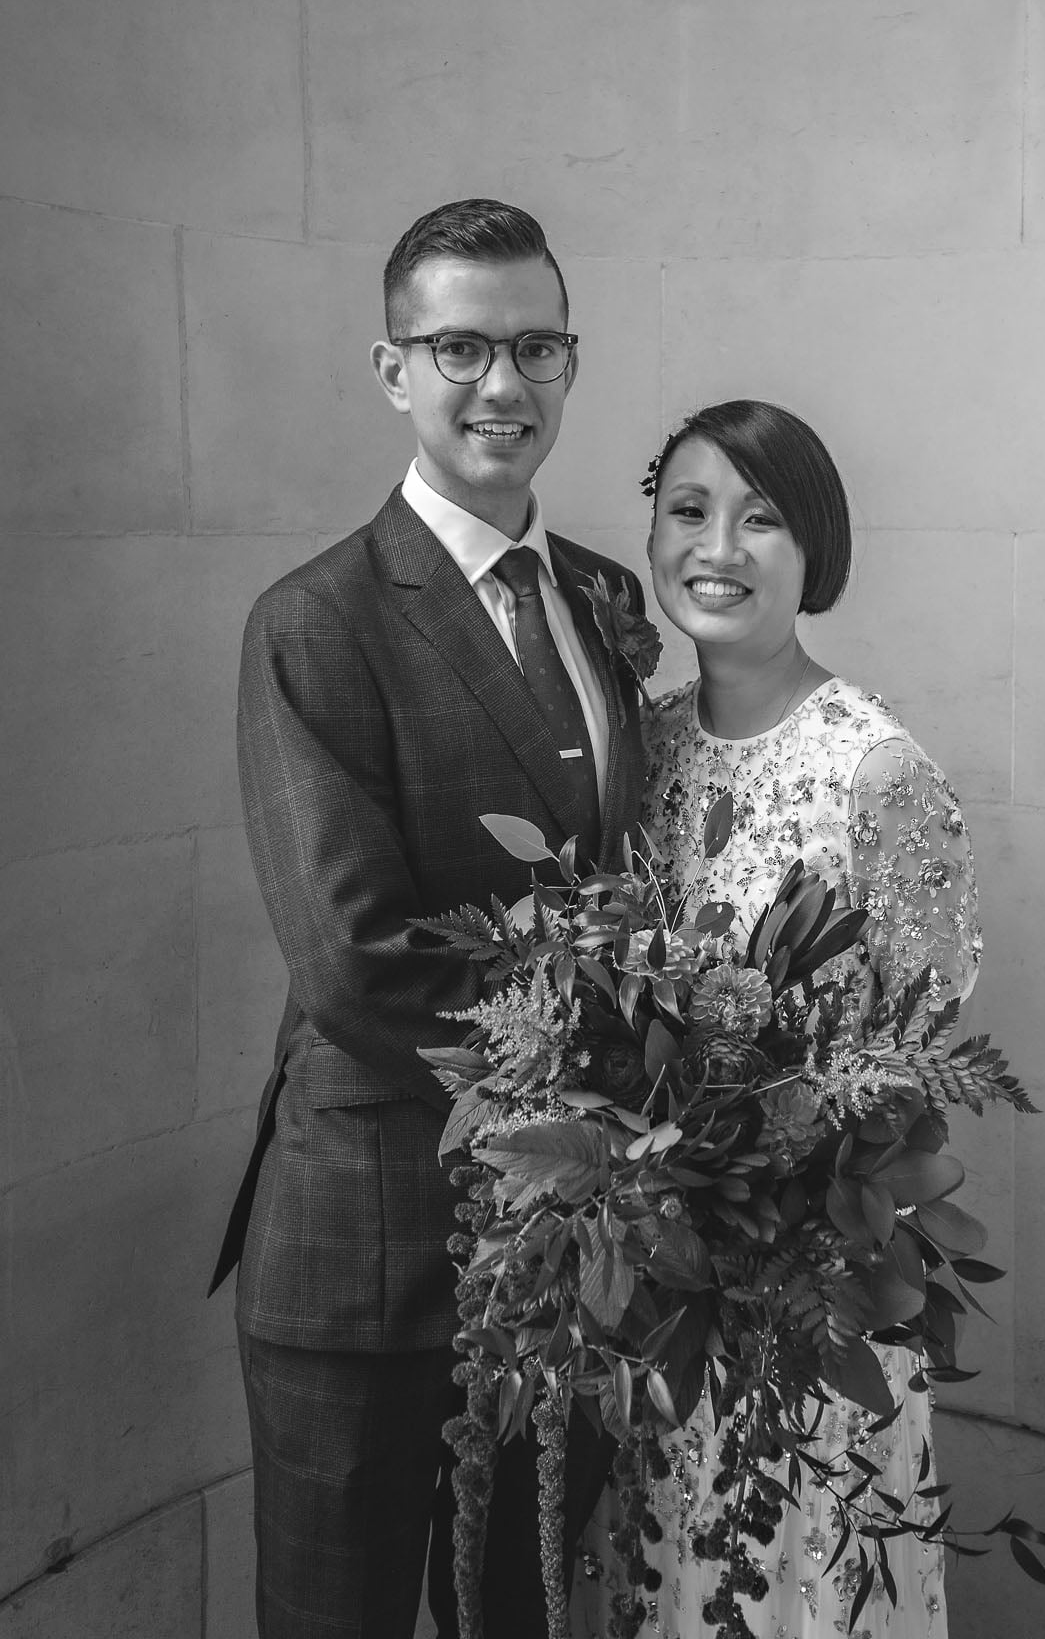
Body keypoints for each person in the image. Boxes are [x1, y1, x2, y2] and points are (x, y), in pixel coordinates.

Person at [208, 199, 647, 1639]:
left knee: (521, 1617)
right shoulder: (316, 620)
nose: (502, 385)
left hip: (567, 1260)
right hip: (371, 1251)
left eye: (536, 346)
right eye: (458, 346)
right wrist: (603, 1112)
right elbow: (353, 960)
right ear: (392, 369)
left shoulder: (602, 594)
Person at [571, 400, 982, 1639]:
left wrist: (752, 1168)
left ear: (815, 550)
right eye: (688, 510)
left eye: (760, 518)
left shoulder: (875, 768)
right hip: (651, 1297)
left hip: (809, 1287)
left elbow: (916, 1064)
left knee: (795, 1585)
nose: (718, 546)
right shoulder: (635, 753)